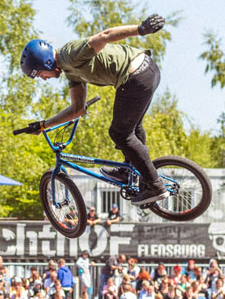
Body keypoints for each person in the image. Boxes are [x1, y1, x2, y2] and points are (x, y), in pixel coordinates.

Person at [18, 13, 170, 206]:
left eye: (40, 74)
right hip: (146, 72)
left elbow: (104, 36)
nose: (44, 79)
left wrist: (141, 29)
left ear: (46, 63)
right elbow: (77, 109)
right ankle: (130, 170)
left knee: (120, 133)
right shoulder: (71, 73)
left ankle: (154, 185)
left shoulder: (69, 55)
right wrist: (42, 126)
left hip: (136, 77)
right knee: (131, 128)